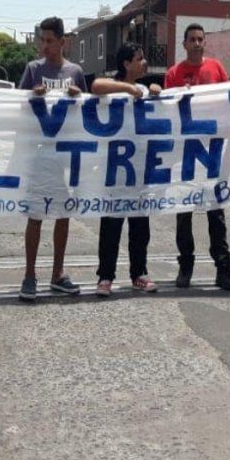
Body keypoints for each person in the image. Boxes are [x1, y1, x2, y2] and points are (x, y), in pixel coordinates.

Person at [17, 16, 87, 302]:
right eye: (41, 41)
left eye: (49, 41)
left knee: (63, 213)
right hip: (38, 154)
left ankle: (58, 274)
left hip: (65, 156)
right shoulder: (32, 69)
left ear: (63, 42)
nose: (44, 47)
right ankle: (30, 275)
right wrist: (30, 96)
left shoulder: (76, 71)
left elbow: (86, 112)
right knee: (35, 215)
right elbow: (15, 107)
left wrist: (79, 95)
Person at [165, 23, 230, 291]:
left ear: (204, 43)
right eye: (192, 39)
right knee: (183, 216)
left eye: (200, 39)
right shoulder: (174, 73)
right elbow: (169, 111)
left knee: (215, 215)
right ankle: (186, 268)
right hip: (184, 155)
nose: (197, 43)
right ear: (184, 44)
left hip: (211, 155)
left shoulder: (216, 69)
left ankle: (224, 270)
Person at [92, 43, 162, 297]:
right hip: (114, 173)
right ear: (126, 64)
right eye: (139, 59)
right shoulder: (113, 88)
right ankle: (105, 277)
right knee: (110, 227)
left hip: (139, 172)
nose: (144, 63)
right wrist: (129, 88)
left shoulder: (144, 89)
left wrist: (153, 89)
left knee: (140, 228)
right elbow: (96, 86)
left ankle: (139, 274)